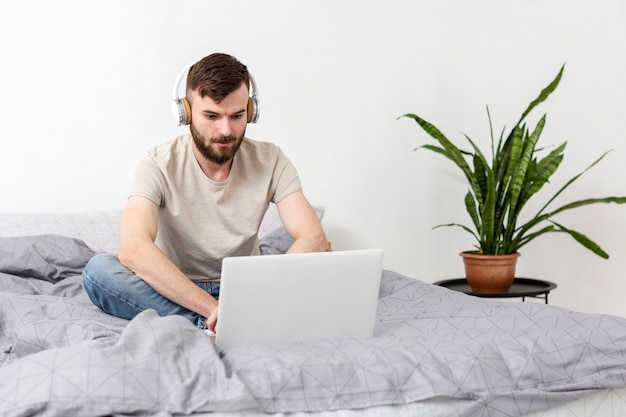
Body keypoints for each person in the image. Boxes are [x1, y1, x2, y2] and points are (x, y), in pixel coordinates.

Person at [82, 53, 329, 332]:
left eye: (237, 116)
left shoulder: (271, 159)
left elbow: (315, 239)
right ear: (184, 112)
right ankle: (219, 320)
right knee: (98, 271)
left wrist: (260, 294)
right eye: (211, 116)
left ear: (251, 111)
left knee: (323, 272)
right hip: (174, 287)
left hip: (247, 289)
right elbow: (133, 248)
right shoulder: (156, 163)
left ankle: (218, 318)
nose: (225, 130)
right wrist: (215, 308)